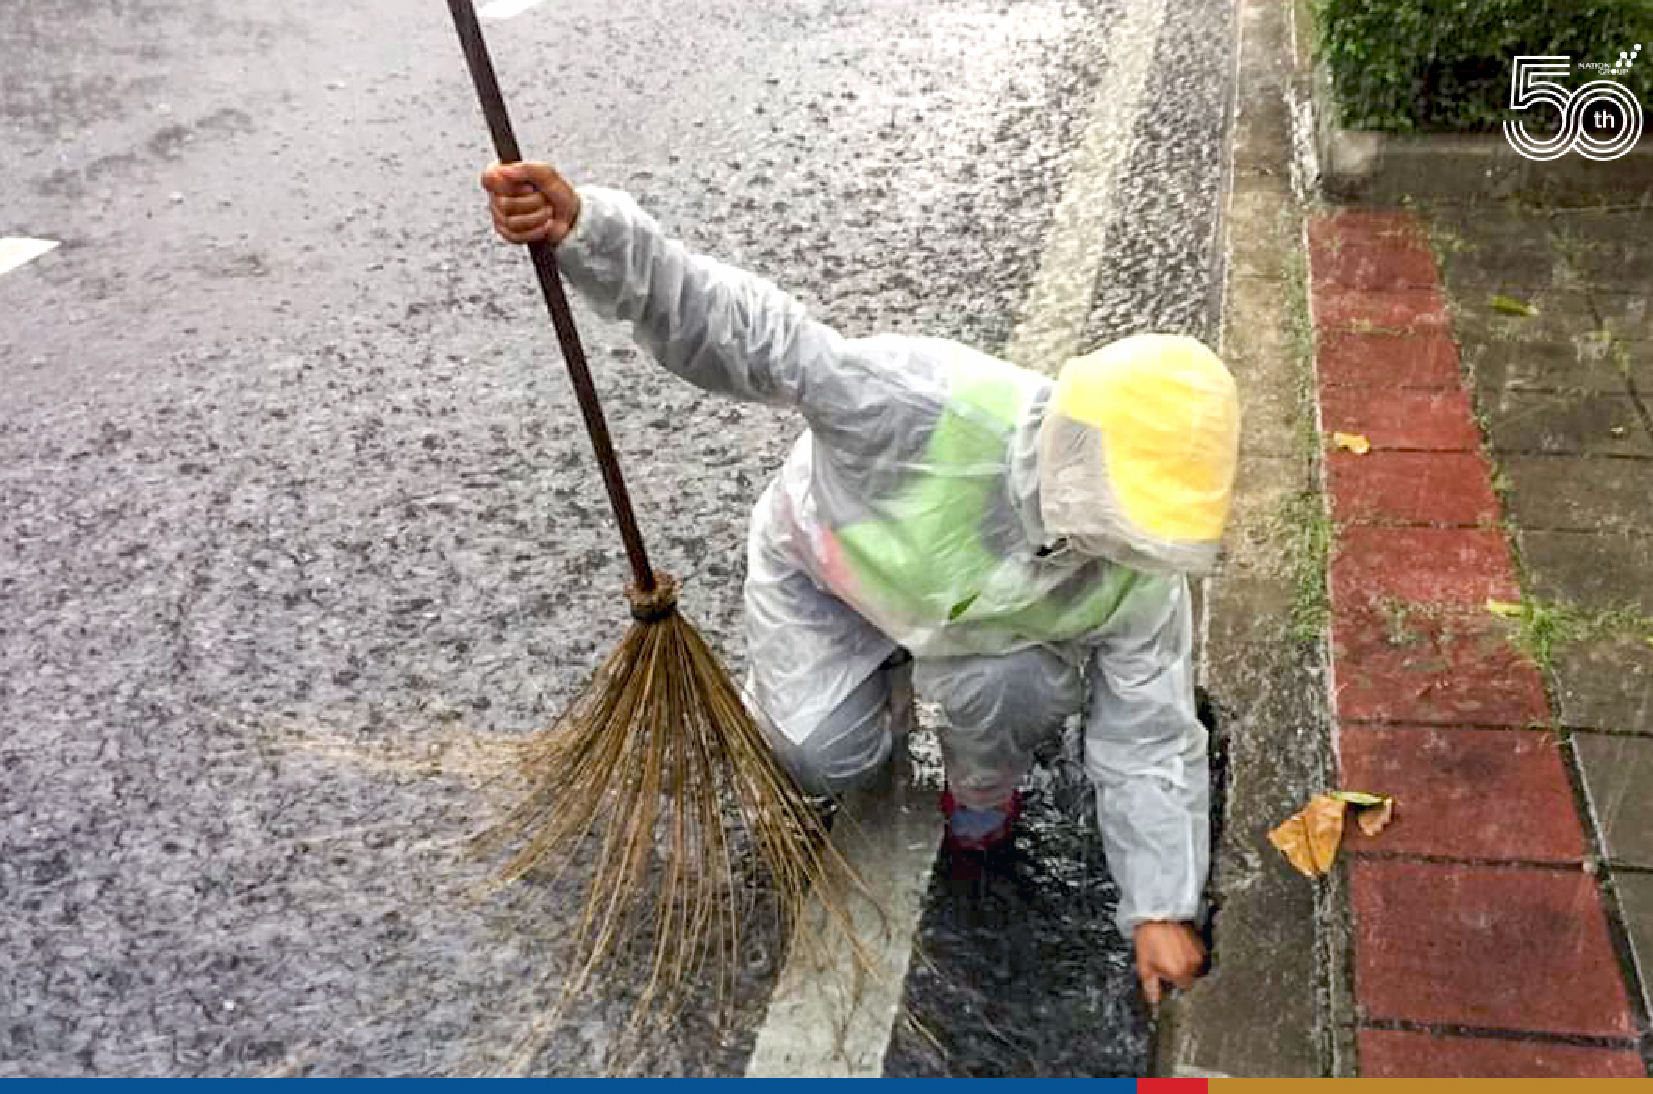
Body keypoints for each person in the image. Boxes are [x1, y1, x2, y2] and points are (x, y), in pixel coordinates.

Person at [482, 162, 1239, 1005]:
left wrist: (1160, 906)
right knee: (817, 756)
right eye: (1124, 521)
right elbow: (748, 331)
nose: (1127, 550)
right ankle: (874, 687)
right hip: (833, 584)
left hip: (979, 636)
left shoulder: (1140, 579)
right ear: (1076, 451)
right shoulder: (922, 403)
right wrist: (590, 236)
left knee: (1012, 685)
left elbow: (1150, 734)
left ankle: (982, 797)